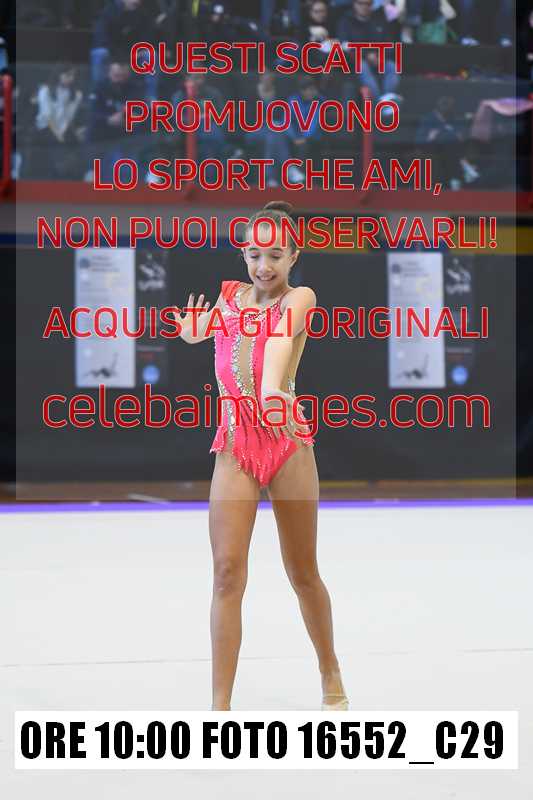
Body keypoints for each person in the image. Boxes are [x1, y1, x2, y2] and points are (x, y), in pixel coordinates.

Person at [175, 201, 349, 711]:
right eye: (254, 254)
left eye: (275, 255)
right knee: (227, 572)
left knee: (302, 571)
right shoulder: (229, 297)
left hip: (285, 438)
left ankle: (330, 669)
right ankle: (220, 707)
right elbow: (211, 331)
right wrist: (194, 331)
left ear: (294, 255)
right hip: (235, 442)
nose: (264, 266)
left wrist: (273, 390)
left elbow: (277, 339)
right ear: (243, 254)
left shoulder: (300, 298)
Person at [336, 0, 401, 103]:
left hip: (379, 58)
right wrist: (366, 55)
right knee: (362, 66)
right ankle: (379, 103)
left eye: (367, 4)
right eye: (360, 3)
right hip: (355, 60)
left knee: (392, 66)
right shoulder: (346, 21)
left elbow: (390, 44)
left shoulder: (379, 20)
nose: (364, 6)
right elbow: (344, 45)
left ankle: (386, 100)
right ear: (354, 4)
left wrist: (379, 56)